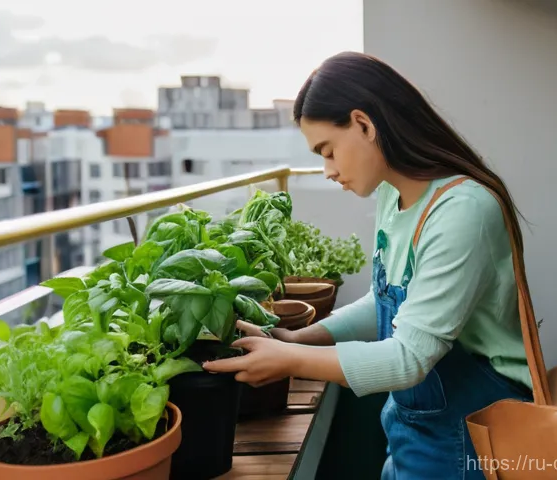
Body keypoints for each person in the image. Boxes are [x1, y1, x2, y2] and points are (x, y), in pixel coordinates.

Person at [203, 51, 533, 479]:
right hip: (412, 432)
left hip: (474, 443)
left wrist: (288, 360)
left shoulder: (462, 210)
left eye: (328, 150)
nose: (327, 170)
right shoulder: (392, 197)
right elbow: (386, 300)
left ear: (364, 124)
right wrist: (300, 337)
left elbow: (409, 359)